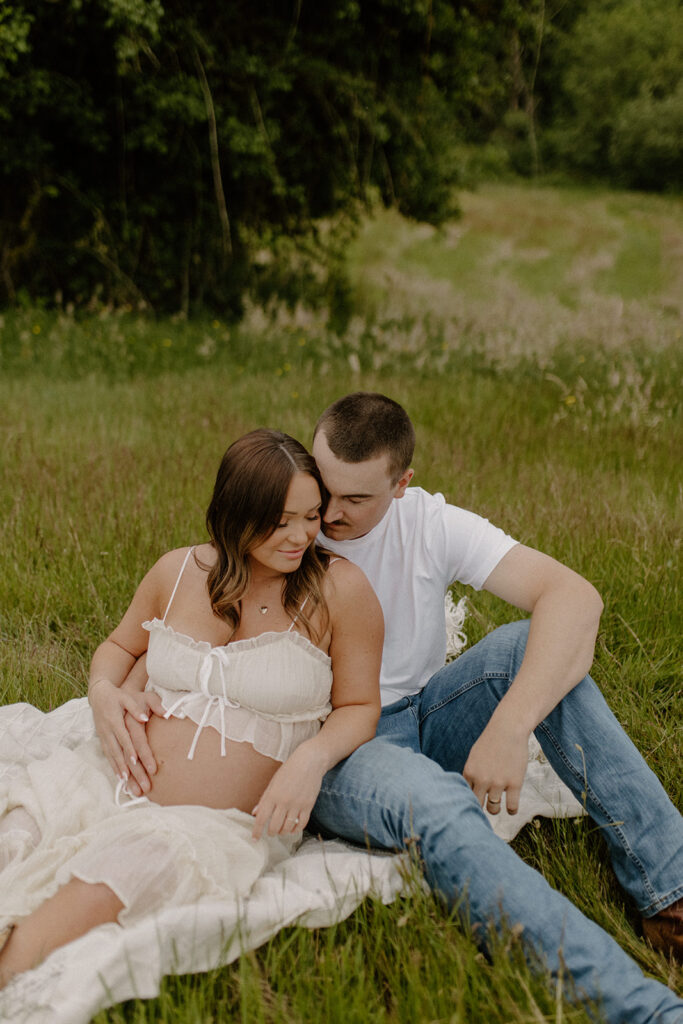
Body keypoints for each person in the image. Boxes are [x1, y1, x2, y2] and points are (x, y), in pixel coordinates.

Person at [96, 396, 683, 1023]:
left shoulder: (432, 524)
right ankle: (642, 1010)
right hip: (345, 745)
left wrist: (511, 726)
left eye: (355, 501)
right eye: (325, 490)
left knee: (533, 648)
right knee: (438, 806)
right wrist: (114, 686)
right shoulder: (287, 528)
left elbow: (575, 597)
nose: (327, 517)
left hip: (428, 709)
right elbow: (183, 631)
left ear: (402, 485)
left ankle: (671, 894)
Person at [0, 429, 382, 990]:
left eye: (310, 515)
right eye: (280, 521)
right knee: (20, 832)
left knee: (113, 878)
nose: (301, 534)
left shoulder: (339, 589)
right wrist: (105, 693)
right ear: (235, 514)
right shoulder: (177, 571)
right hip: (106, 777)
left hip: (210, 824)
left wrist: (312, 758)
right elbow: (118, 648)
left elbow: (360, 705)